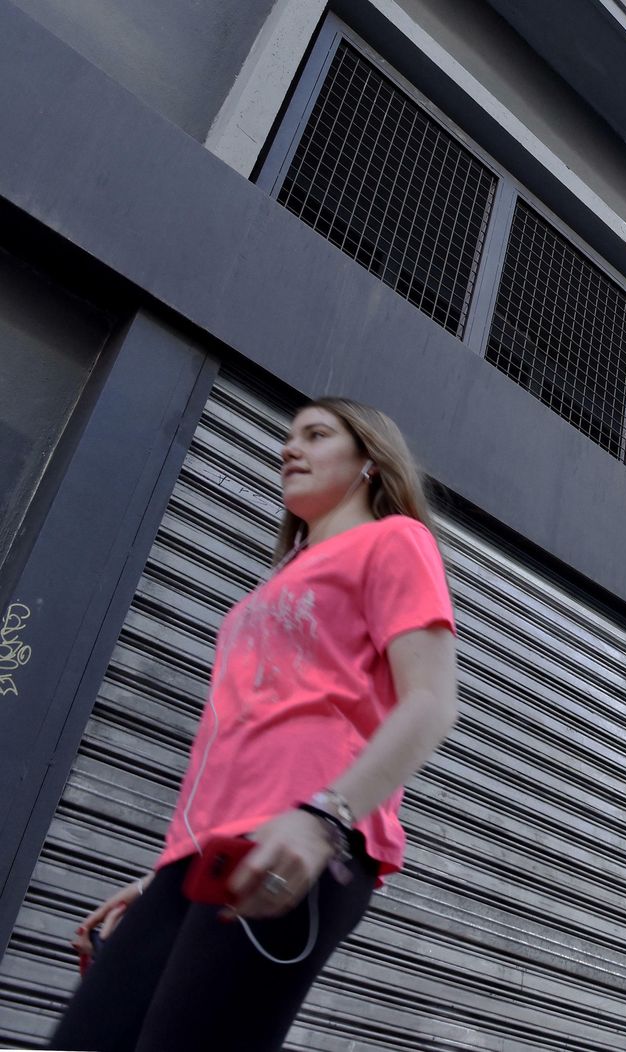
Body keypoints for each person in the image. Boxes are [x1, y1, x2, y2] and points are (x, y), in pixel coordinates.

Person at [52, 397, 460, 1052]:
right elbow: (238, 742)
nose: (288, 449)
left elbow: (433, 702)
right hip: (205, 857)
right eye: (287, 437)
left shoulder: (395, 541)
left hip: (303, 840)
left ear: (369, 465)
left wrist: (325, 815)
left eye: (316, 435)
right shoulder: (269, 585)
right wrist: (157, 879)